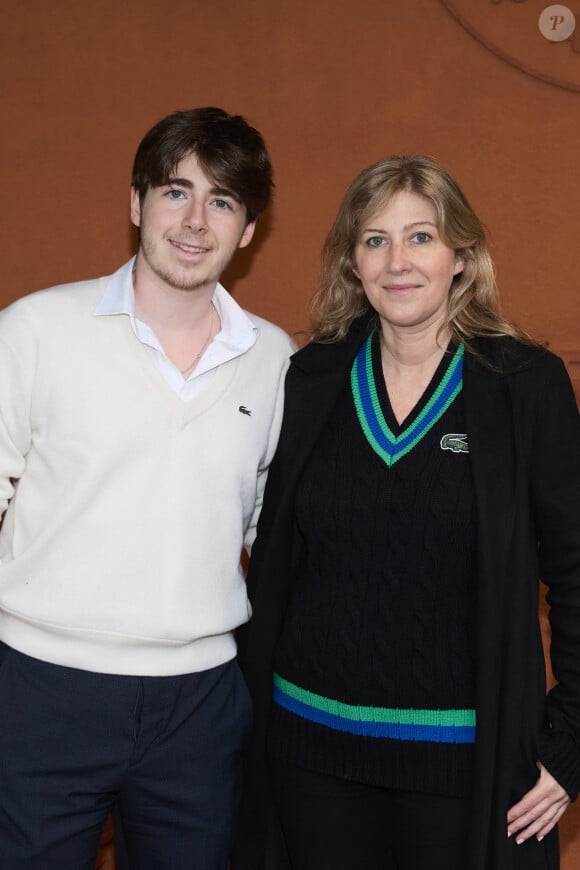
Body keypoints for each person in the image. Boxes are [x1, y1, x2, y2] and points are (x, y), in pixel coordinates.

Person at [232, 155, 580, 870]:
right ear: (351, 262)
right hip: (308, 753)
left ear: (461, 255)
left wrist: (571, 740)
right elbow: (269, 561)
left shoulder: (524, 385)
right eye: (375, 239)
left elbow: (576, 571)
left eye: (421, 237)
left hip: (462, 767)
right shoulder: (312, 378)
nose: (399, 261)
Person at [0, 106, 293, 869]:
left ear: (249, 230)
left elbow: (272, 525)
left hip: (200, 705)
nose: (196, 221)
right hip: (41, 690)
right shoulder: (36, 329)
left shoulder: (274, 358)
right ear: (135, 204)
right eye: (176, 191)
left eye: (223, 201)